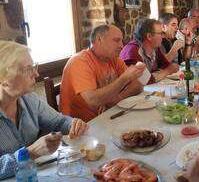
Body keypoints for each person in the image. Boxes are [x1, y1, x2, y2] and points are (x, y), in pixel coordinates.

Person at [0, 41, 88, 180]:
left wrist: (73, 124)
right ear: (4, 79)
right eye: (28, 69)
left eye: (34, 66)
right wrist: (30, 152)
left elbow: (59, 122)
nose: (36, 73)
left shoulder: (28, 99)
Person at [60, 24, 145, 122]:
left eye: (121, 41)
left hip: (108, 116)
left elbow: (138, 85)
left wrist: (116, 99)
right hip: (81, 126)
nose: (122, 45)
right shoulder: (79, 61)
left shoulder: (113, 59)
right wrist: (124, 79)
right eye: (117, 40)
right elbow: (93, 100)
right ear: (99, 39)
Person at [120, 18, 179, 84]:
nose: (163, 36)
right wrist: (167, 71)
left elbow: (169, 66)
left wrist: (162, 72)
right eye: (160, 33)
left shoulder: (155, 48)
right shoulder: (132, 52)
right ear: (149, 36)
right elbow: (145, 80)